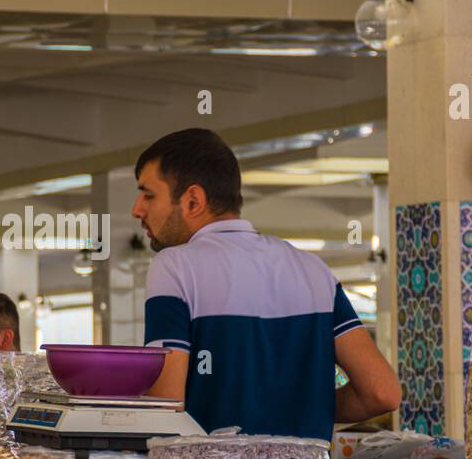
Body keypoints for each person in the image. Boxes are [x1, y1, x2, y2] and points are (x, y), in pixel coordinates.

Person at [132, 128, 400, 440]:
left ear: (193, 200)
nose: (137, 209)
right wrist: (303, 406)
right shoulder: (313, 270)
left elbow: (166, 406)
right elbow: (382, 393)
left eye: (148, 195)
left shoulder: (174, 266)